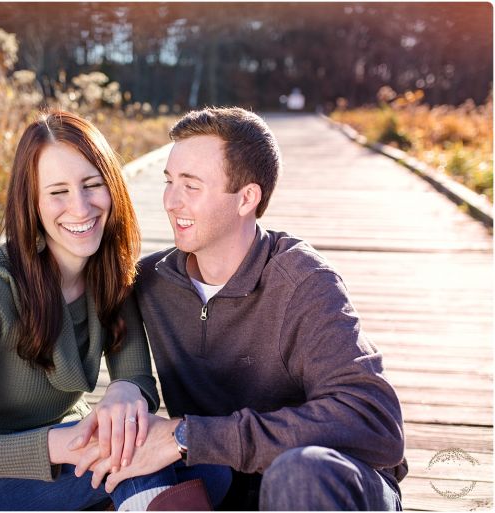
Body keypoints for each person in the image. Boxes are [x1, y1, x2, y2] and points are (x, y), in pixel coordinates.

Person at [79, 107, 407, 510]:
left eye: (191, 185)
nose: (170, 201)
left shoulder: (303, 281)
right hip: (224, 486)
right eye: (169, 181)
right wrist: (123, 389)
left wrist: (188, 437)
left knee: (298, 473)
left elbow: (374, 422)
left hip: (325, 487)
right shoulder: (152, 282)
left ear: (246, 198)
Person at [0, 111, 230, 511]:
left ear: (112, 187)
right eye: (58, 192)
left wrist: (123, 393)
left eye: (91, 185)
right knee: (128, 460)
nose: (80, 208)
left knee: (209, 468)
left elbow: (136, 376)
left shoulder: (112, 272)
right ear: (32, 202)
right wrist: (64, 443)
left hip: (70, 448)